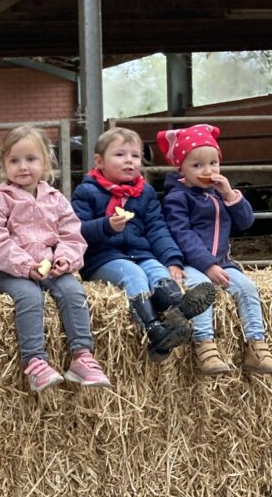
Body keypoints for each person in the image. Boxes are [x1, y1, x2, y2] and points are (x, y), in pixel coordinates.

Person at [0, 125, 111, 392]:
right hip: (13, 272)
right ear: (3, 163)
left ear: (46, 162)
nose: (23, 167)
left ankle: (82, 356)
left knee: (74, 292)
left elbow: (71, 234)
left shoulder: (56, 198)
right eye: (14, 160)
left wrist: (65, 259)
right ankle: (35, 362)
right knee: (30, 297)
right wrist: (26, 267)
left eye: (31, 159)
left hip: (51, 266)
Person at [71, 127, 215, 362]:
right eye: (120, 155)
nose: (129, 160)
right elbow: (76, 230)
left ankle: (177, 307)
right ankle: (153, 329)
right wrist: (105, 226)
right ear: (99, 161)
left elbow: (157, 228)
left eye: (135, 156)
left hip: (140, 252)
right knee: (134, 275)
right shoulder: (86, 191)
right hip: (103, 257)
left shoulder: (144, 192)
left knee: (158, 272)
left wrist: (172, 260)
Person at [159, 124, 272, 375]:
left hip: (223, 262)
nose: (208, 170)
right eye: (197, 165)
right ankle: (205, 347)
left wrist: (230, 195)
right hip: (192, 264)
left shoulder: (219, 194)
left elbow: (246, 222)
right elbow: (182, 234)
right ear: (180, 168)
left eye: (213, 163)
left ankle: (256, 347)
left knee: (247, 287)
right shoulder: (177, 198)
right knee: (201, 290)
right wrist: (207, 265)